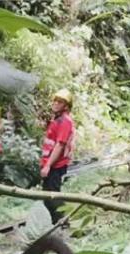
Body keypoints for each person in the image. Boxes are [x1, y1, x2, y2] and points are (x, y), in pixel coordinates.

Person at [40, 89, 75, 225]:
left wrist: (48, 165)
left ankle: (63, 223)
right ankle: (54, 223)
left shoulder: (65, 121)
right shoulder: (57, 120)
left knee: (53, 195)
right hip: (50, 163)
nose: (55, 103)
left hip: (56, 164)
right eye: (55, 100)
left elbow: (60, 145)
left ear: (66, 106)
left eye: (59, 102)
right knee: (47, 195)